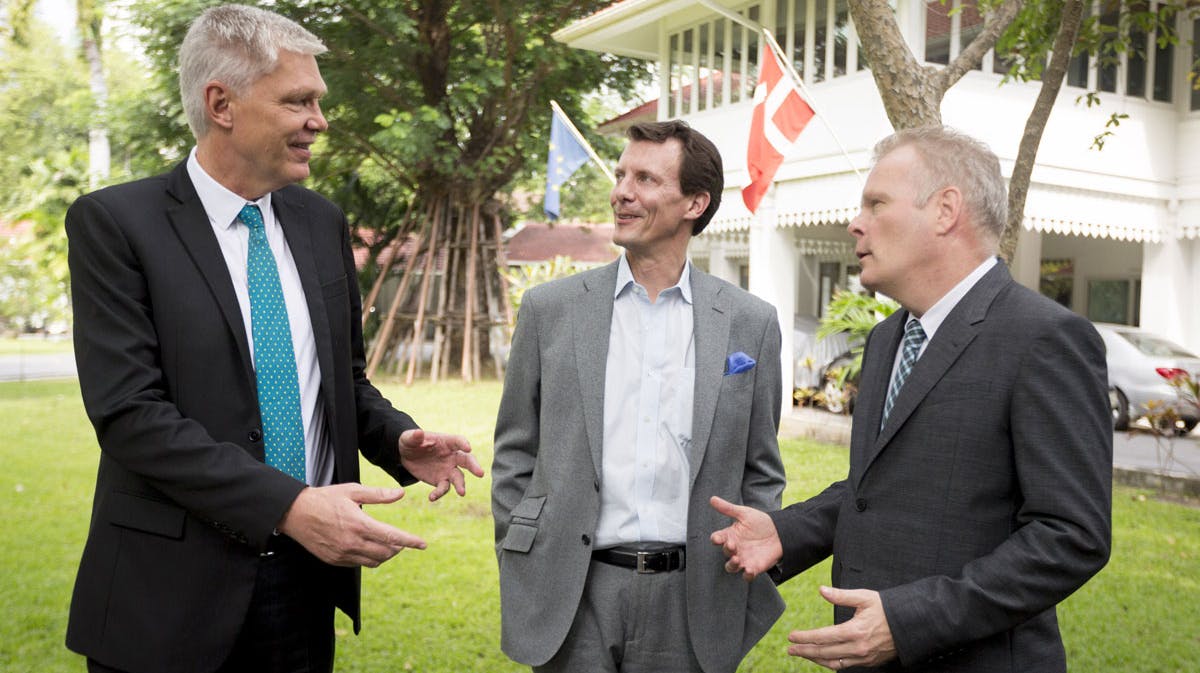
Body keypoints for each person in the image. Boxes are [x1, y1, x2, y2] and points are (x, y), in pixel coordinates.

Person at [64, 5, 483, 673]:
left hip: (305, 586)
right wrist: (288, 505)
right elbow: (130, 417)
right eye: (299, 100)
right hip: (166, 599)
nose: (320, 120)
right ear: (222, 103)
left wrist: (397, 440)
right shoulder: (116, 224)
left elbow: (342, 380)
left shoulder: (320, 222)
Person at [710, 126, 1112, 672]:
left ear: (946, 210)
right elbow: (879, 487)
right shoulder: (887, 338)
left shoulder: (1044, 338)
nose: (855, 223)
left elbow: (1071, 536)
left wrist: (910, 620)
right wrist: (787, 532)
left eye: (876, 204)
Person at [491, 119, 786, 673]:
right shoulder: (549, 309)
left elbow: (762, 467)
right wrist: (520, 548)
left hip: (697, 594)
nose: (622, 191)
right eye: (623, 174)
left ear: (695, 203)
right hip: (572, 591)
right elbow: (514, 450)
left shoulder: (751, 323)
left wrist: (747, 557)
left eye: (646, 179)